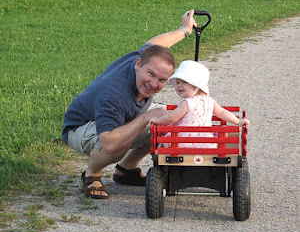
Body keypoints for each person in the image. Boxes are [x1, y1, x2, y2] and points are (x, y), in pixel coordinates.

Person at [62, 10, 198, 199]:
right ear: (138, 65)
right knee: (118, 146)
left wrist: (185, 29)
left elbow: (157, 44)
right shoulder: (114, 94)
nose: (153, 84)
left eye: (162, 79)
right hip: (80, 128)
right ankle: (91, 174)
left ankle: (126, 169)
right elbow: (109, 142)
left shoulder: (146, 57)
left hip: (116, 117)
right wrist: (145, 118)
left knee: (168, 119)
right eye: (150, 74)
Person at [149, 61, 250, 148]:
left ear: (197, 85)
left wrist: (157, 120)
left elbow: (172, 118)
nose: (179, 85)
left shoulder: (187, 103)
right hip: (206, 142)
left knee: (164, 138)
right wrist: (238, 121)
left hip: (184, 141)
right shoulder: (210, 101)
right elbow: (222, 113)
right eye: (178, 82)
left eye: (184, 82)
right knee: (217, 134)